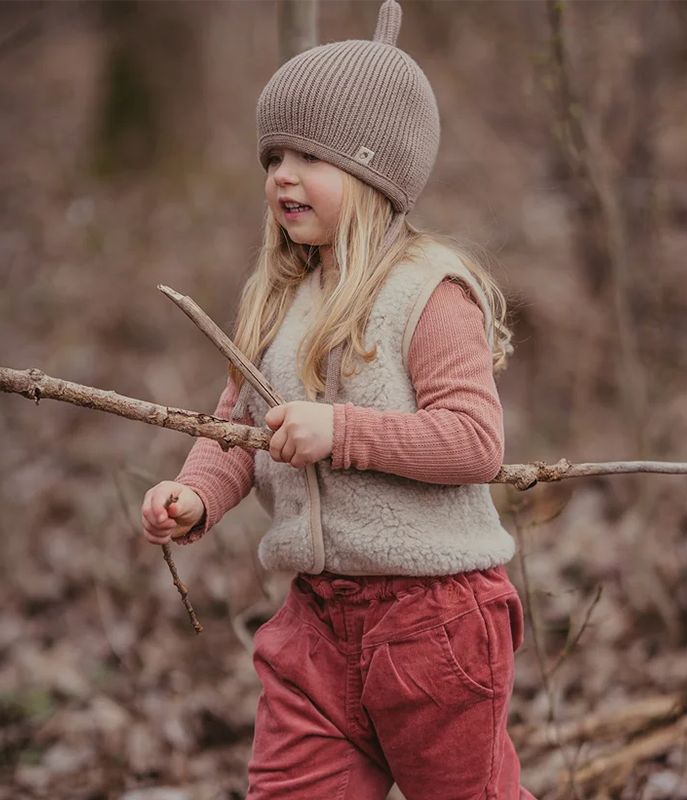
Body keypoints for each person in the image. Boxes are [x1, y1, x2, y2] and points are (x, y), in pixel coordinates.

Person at [140, 2, 535, 798]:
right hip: (315, 625)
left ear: (373, 172)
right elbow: (236, 429)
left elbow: (473, 442)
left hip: (436, 623)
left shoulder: (429, 293)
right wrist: (194, 495)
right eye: (274, 154)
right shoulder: (278, 298)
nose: (282, 174)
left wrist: (342, 430)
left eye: (311, 155)